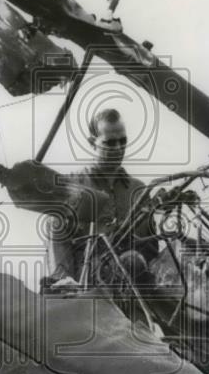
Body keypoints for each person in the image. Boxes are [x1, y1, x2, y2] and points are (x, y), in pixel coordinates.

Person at [43, 108, 158, 291]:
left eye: (123, 141)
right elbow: (57, 244)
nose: (119, 148)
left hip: (136, 296)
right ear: (92, 143)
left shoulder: (139, 190)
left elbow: (153, 251)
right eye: (110, 143)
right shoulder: (70, 188)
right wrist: (66, 286)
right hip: (91, 294)